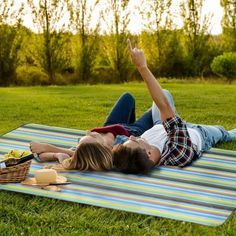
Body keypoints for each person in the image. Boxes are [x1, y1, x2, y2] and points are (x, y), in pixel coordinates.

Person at [112, 39, 236, 174]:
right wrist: (142, 67)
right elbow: (164, 105)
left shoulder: (132, 157)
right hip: (199, 133)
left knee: (164, 92)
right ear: (148, 153)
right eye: (135, 141)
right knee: (225, 133)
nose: (131, 137)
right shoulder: (177, 153)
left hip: (162, 125)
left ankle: (175, 122)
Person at [30, 91, 156, 171]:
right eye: (94, 137)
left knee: (128, 97)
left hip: (111, 126)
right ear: (103, 148)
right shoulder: (116, 152)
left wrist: (57, 154)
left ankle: (130, 120)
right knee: (156, 107)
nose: (89, 132)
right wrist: (50, 147)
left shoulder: (85, 150)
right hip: (132, 132)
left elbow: (40, 156)